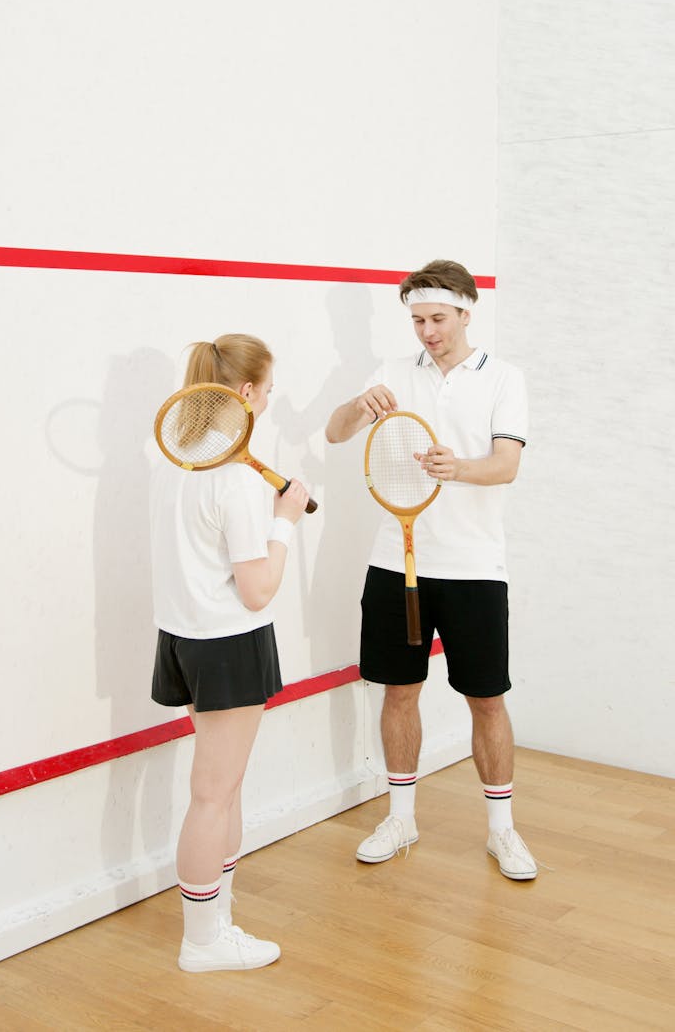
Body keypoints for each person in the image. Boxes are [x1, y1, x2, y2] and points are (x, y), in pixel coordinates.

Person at [325, 260, 536, 881]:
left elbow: (505, 466)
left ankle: (503, 831)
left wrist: (457, 468)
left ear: (467, 311)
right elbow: (336, 433)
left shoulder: (503, 378)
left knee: (487, 700)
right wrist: (357, 404)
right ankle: (400, 817)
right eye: (417, 320)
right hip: (396, 561)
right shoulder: (390, 374)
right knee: (399, 691)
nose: (427, 330)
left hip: (473, 566)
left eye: (438, 318)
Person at [149, 333, 309, 971]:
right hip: (228, 643)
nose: (269, 399)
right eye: (268, 389)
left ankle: (218, 921)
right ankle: (202, 941)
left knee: (224, 787)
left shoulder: (178, 459)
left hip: (183, 640)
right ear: (245, 392)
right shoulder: (239, 481)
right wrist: (286, 520)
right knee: (214, 793)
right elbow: (257, 589)